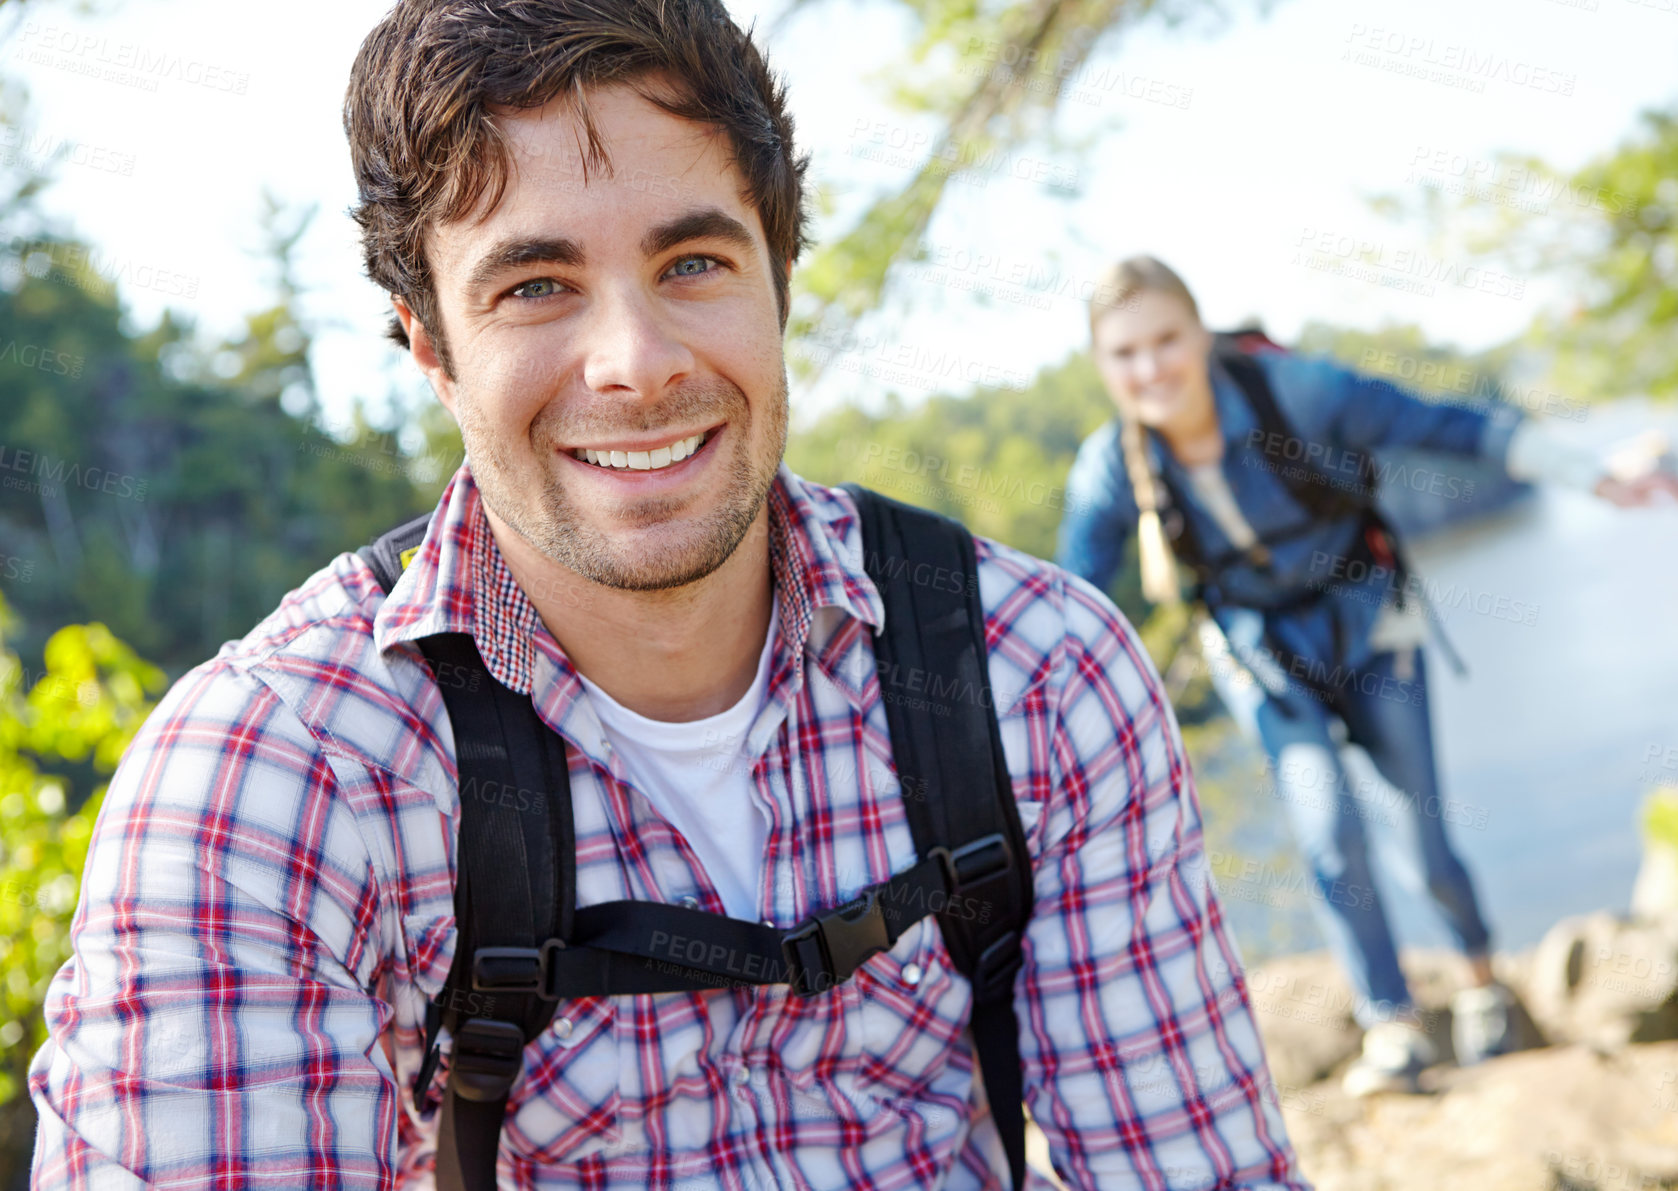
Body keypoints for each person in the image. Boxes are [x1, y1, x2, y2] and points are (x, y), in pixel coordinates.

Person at [27, 8, 1309, 1189]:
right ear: (429, 345)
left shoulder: (1036, 675)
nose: (635, 364)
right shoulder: (273, 784)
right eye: (535, 287)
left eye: (693, 261)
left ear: (779, 278)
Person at [1057, 255, 1678, 1097]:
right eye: (1124, 353)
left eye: (1166, 340)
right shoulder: (1109, 467)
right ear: (1101, 366)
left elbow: (1450, 425)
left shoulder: (1298, 393)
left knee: (1419, 839)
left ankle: (1480, 984)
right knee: (1325, 828)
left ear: (1200, 334)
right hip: (1262, 655)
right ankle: (1391, 1022)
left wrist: (1594, 475)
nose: (1150, 368)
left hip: (1372, 623)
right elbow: (1070, 608)